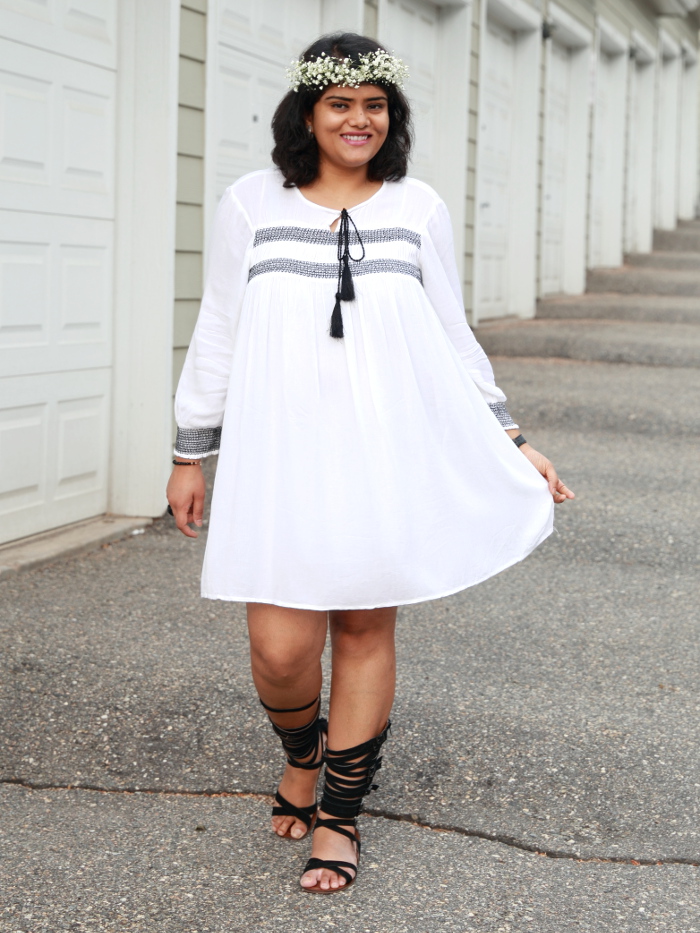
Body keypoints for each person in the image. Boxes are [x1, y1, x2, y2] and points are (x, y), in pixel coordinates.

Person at [166, 32, 574, 895]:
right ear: (308, 112)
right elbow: (220, 328)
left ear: (391, 117)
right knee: (279, 646)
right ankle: (302, 755)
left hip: (381, 450)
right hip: (280, 455)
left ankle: (340, 816)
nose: (358, 120)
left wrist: (512, 438)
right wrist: (189, 451)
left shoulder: (417, 208)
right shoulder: (251, 203)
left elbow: (452, 336)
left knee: (361, 628)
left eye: (374, 104)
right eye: (340, 103)